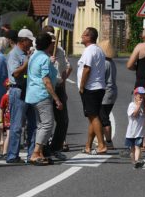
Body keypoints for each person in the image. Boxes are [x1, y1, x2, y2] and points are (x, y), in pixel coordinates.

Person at [25, 33, 63, 165]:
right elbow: (46, 80)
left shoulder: (34, 56)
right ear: (48, 45)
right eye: (52, 43)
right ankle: (35, 153)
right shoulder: (44, 58)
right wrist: (56, 99)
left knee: (41, 125)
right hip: (42, 94)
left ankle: (39, 152)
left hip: (32, 94)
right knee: (47, 124)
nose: (53, 44)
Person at [5, 29, 37, 164]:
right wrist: (27, 62)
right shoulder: (14, 55)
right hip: (18, 91)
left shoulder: (25, 53)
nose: (31, 44)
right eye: (29, 41)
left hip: (29, 90)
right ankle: (12, 155)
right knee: (17, 126)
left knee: (33, 125)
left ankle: (32, 154)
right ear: (23, 41)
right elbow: (15, 74)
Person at [42, 25, 72, 160]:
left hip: (58, 86)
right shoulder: (39, 52)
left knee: (63, 120)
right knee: (45, 121)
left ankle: (56, 147)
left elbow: (67, 67)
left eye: (54, 41)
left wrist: (63, 80)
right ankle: (42, 148)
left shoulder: (59, 50)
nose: (53, 44)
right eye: (51, 41)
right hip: (44, 88)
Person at [77, 27, 108, 155]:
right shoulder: (98, 50)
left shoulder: (89, 51)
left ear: (89, 37)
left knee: (94, 116)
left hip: (91, 88)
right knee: (92, 117)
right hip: (98, 87)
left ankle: (101, 145)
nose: (81, 37)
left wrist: (82, 86)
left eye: (84, 35)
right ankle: (88, 145)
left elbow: (87, 69)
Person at [99, 39, 118, 149]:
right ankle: (104, 139)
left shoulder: (104, 63)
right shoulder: (111, 62)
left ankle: (109, 141)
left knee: (103, 117)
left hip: (106, 92)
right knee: (104, 115)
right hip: (112, 92)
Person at [125, 87, 145, 169]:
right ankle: (134, 161)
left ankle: (137, 160)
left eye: (143, 97)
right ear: (135, 96)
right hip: (131, 133)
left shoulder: (142, 107)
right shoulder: (132, 105)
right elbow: (134, 115)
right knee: (132, 149)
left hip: (139, 133)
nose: (141, 99)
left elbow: (144, 122)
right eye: (140, 97)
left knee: (138, 147)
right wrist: (138, 106)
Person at [0, 79, 11, 156]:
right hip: (7, 119)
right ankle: (4, 152)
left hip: (13, 118)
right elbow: (1, 110)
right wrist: (0, 121)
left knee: (12, 135)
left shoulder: (14, 96)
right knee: (9, 135)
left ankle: (8, 150)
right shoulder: (5, 97)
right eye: (9, 86)